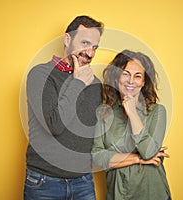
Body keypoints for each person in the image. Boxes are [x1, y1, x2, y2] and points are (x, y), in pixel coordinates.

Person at [23, 15, 104, 200]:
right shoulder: (41, 75)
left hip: (83, 182)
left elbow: (96, 130)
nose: (90, 53)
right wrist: (77, 83)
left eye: (94, 47)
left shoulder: (95, 83)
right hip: (44, 183)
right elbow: (54, 125)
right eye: (85, 43)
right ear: (67, 39)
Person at [91, 50, 172, 200]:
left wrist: (133, 113)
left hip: (152, 193)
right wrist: (137, 159)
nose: (131, 80)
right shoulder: (103, 113)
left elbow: (148, 152)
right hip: (118, 194)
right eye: (126, 73)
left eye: (138, 76)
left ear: (143, 82)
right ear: (116, 78)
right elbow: (96, 157)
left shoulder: (157, 112)